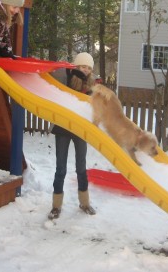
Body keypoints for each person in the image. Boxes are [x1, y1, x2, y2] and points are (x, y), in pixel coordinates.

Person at [48, 52, 97, 220]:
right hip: (62, 127)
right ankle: (56, 206)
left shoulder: (90, 84)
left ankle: (84, 203)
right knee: (60, 168)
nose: (85, 70)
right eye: (83, 66)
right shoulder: (65, 76)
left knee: (81, 167)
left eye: (89, 68)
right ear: (76, 65)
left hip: (79, 129)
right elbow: (51, 75)